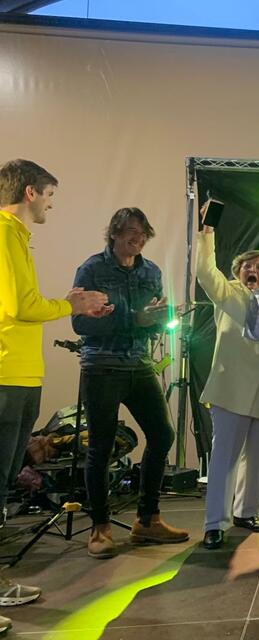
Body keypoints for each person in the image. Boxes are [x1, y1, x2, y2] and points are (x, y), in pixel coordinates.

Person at [0, 159, 110, 630]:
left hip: (22, 376)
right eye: (49, 195)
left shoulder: (17, 237)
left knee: (6, 481)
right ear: (30, 192)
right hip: (7, 376)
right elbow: (20, 306)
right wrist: (72, 304)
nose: (51, 204)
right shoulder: (5, 232)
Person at [72, 208, 190, 558]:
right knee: (101, 447)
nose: (138, 240)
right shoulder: (92, 269)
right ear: (115, 232)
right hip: (102, 366)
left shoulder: (151, 271)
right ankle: (100, 527)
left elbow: (151, 322)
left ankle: (147, 519)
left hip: (139, 363)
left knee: (162, 435)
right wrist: (133, 318)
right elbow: (80, 324)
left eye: (143, 234)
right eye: (131, 233)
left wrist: (161, 318)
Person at [196, 202, 259, 550]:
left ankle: (246, 512)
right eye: (248, 265)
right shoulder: (228, 294)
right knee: (224, 459)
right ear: (238, 270)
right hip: (232, 390)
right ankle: (214, 524)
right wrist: (207, 232)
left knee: (255, 459)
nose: (254, 270)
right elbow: (206, 273)